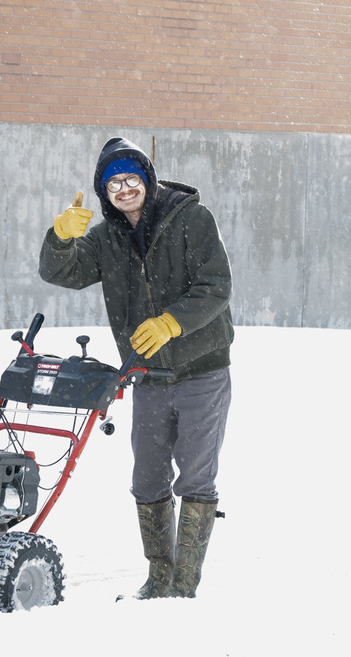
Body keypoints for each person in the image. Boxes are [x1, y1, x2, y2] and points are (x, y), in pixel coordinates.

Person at [39, 136, 234, 599]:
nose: (123, 189)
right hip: (147, 375)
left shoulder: (191, 219)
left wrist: (172, 323)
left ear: (146, 178)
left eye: (130, 178)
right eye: (112, 184)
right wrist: (60, 238)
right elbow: (61, 273)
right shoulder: (108, 237)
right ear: (104, 192)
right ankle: (160, 577)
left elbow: (217, 285)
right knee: (146, 477)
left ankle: (183, 586)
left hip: (202, 369)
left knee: (195, 477)